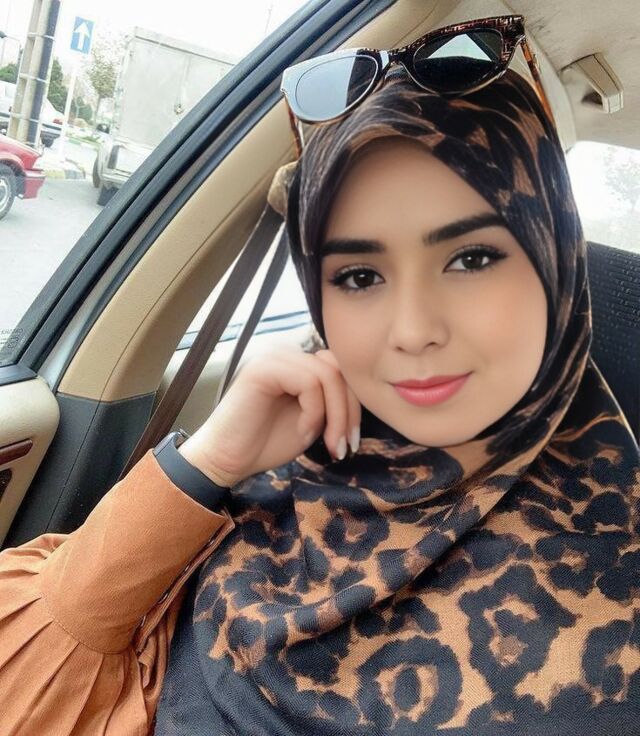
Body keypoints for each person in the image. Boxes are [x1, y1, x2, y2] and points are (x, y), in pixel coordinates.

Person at [0, 58, 638, 736]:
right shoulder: (297, 466)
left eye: (471, 259)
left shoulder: (611, 606)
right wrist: (209, 462)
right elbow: (28, 680)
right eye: (359, 275)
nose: (412, 330)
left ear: (554, 265)